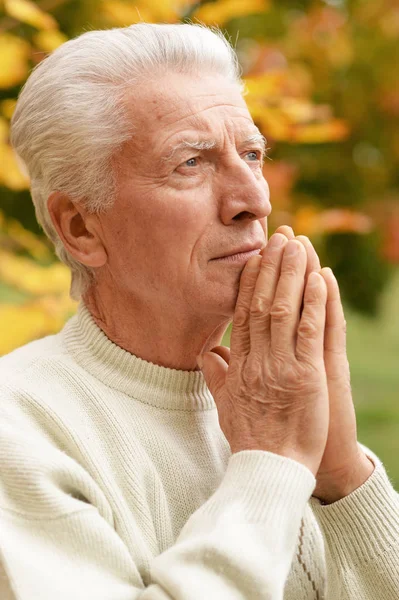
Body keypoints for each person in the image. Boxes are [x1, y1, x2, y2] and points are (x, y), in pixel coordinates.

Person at [1, 23, 398, 600]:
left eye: (253, 154)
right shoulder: (21, 430)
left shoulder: (278, 397)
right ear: (82, 227)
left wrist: (342, 479)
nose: (254, 200)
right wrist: (270, 462)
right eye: (191, 162)